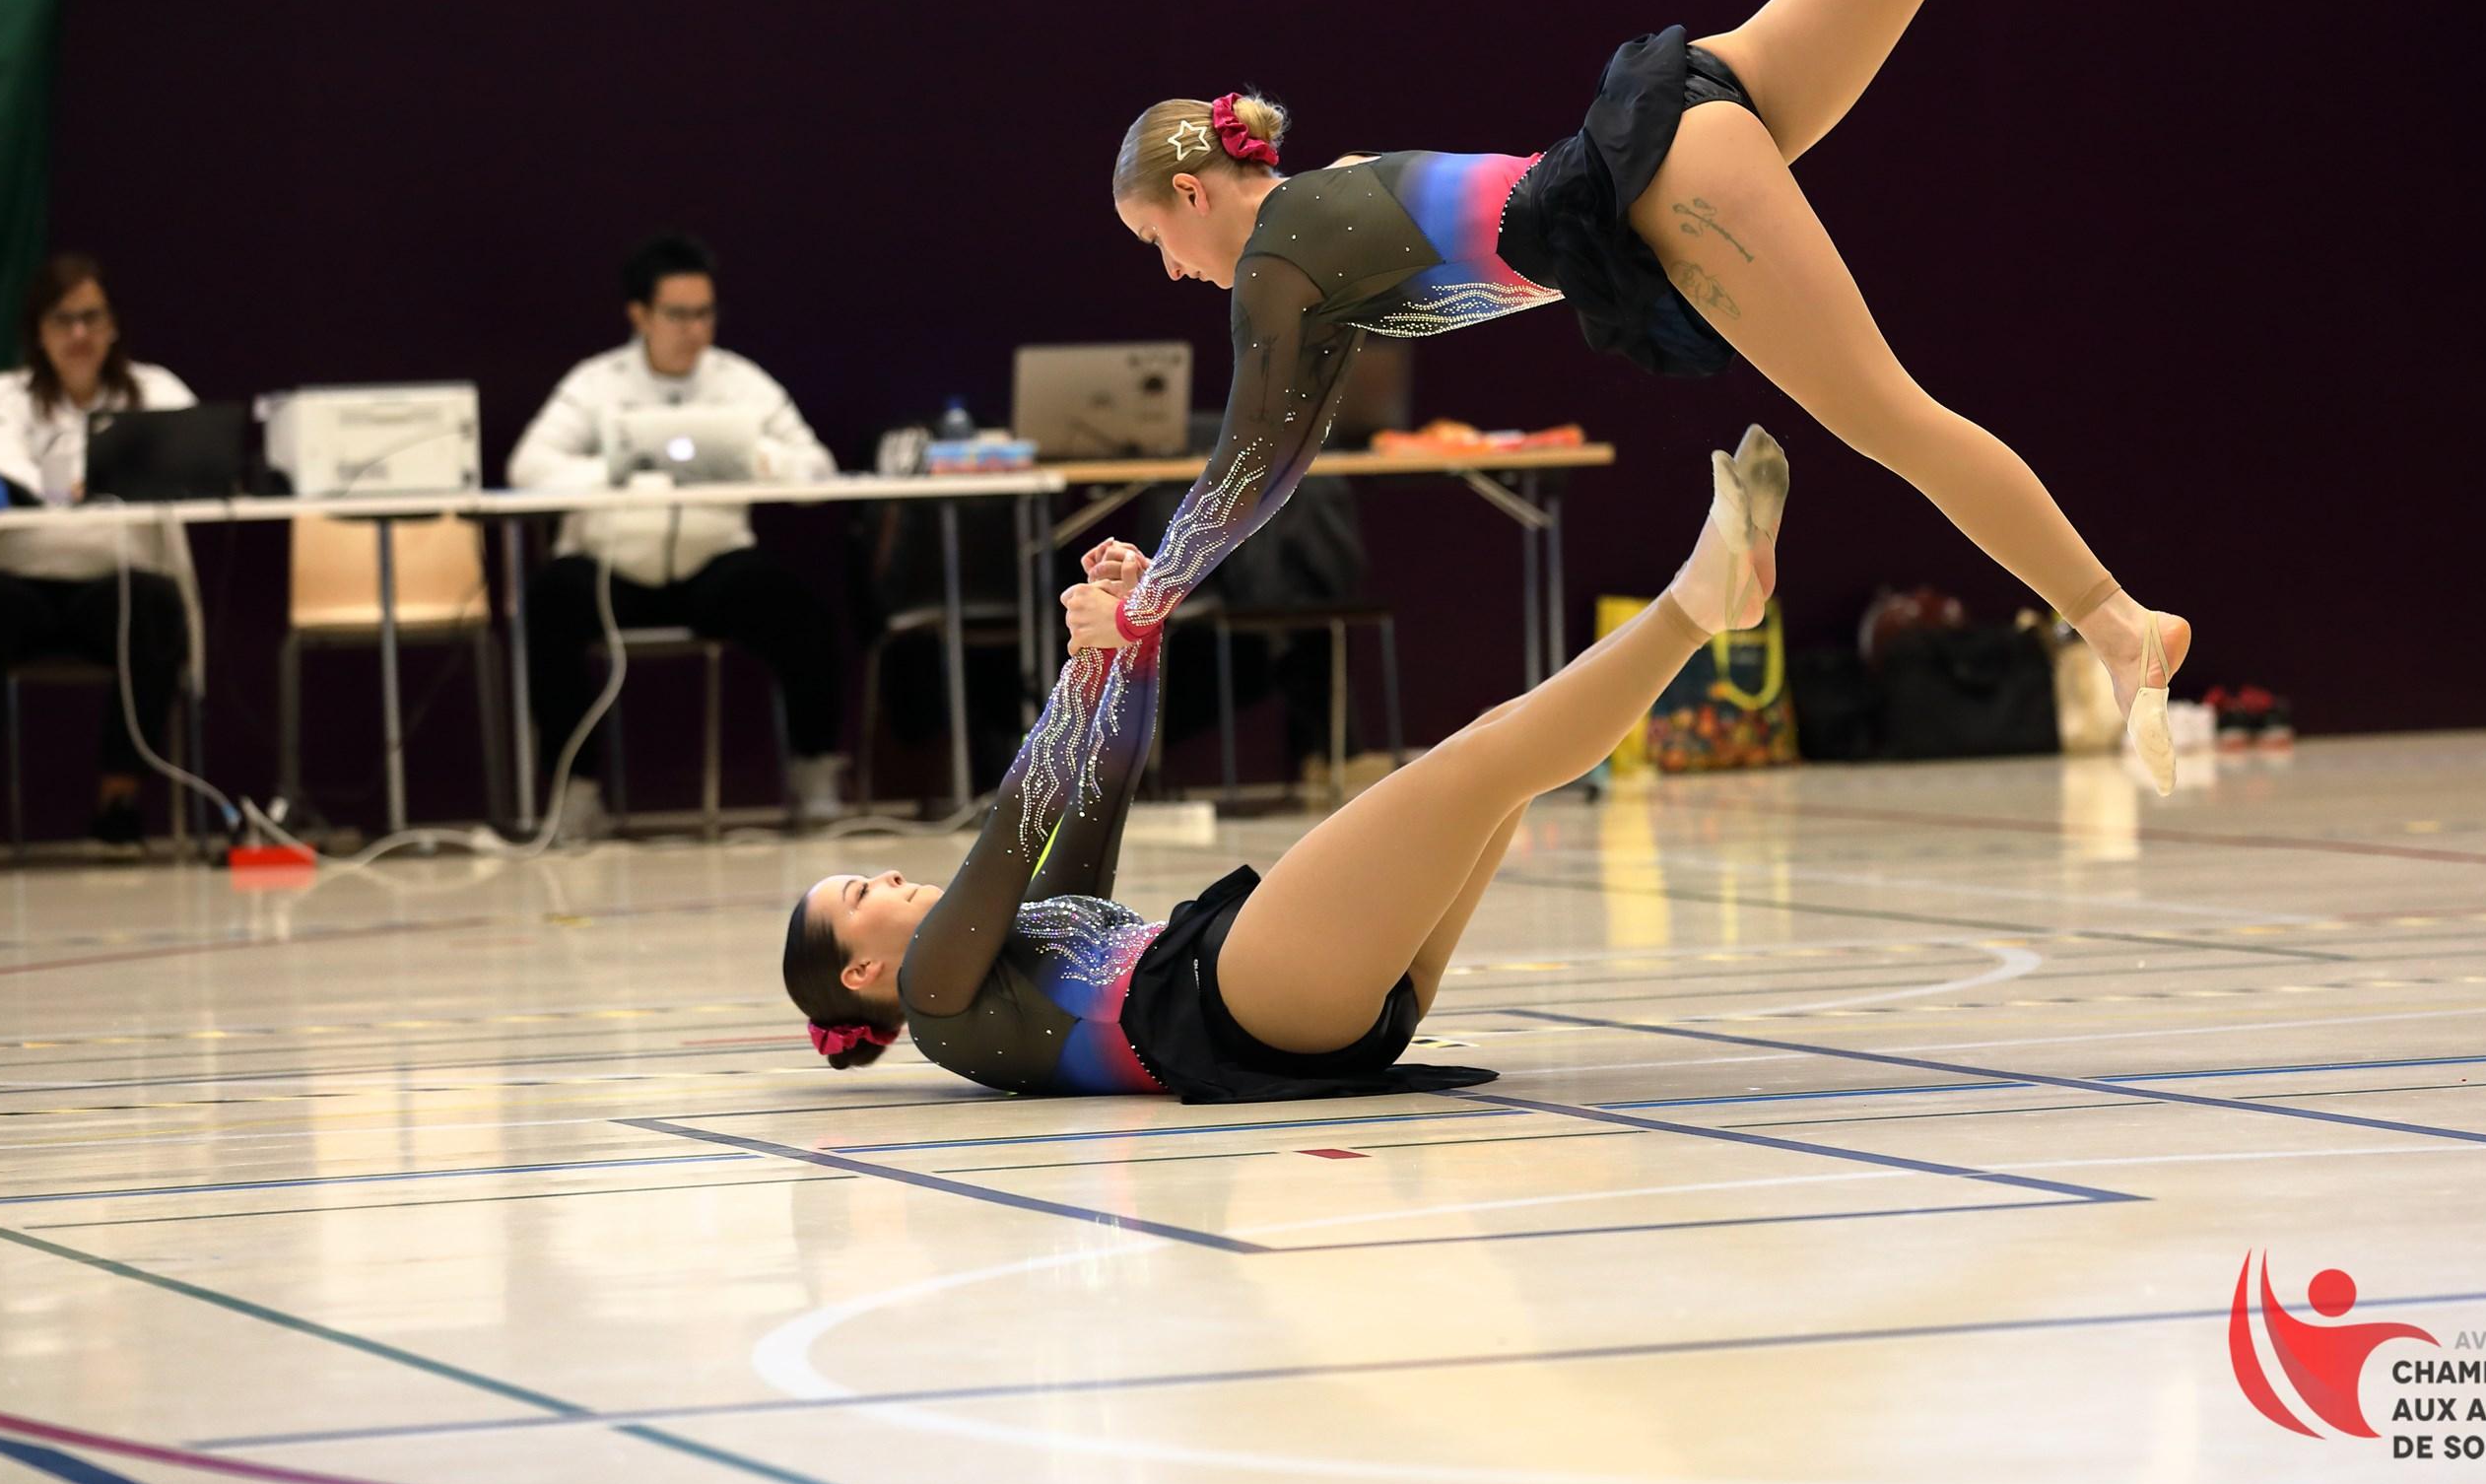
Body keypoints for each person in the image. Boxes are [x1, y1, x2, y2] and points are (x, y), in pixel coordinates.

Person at [1091, 0, 2192, 805]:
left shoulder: (1276, 262)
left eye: (1154, 240)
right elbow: (1285, 444)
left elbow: (1255, 459)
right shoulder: (1317, 211)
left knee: (1890, 415)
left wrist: (1148, 595)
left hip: (1660, 178)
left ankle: (2116, 619)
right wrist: (1160, 574)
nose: (1171, 271)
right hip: (1689, 106)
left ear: (1192, 192)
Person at [781, 428, 1786, 1101]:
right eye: (862, 892)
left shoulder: (1022, 937)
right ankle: (1698, 602)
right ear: (862, 972)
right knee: (1475, 766)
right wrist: (1086, 664)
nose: (892, 876)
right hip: (1237, 998)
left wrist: (1135, 641)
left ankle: (1712, 603)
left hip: (1292, 996)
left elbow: (1104, 783)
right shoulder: (937, 995)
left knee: (1497, 751)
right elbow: (1016, 824)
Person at [508, 232, 846, 835]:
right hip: (610, 566)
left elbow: (816, 469)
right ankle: (575, 793)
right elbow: (528, 469)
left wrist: (754, 459)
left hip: (711, 564)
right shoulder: (594, 384)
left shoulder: (742, 382)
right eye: (677, 315)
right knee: (549, 602)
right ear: (639, 314)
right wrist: (622, 471)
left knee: (796, 607)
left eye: (705, 313)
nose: (694, 329)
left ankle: (813, 776)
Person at [0, 255, 203, 858]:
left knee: (154, 605)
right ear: (38, 332)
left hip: (112, 587)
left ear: (112, 325)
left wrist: (98, 484)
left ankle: (117, 808)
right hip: (22, 583)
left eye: (91, 318)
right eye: (62, 320)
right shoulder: (4, 397)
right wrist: (67, 489)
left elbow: (195, 452)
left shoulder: (156, 391)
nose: (78, 334)